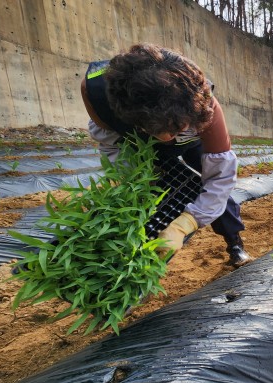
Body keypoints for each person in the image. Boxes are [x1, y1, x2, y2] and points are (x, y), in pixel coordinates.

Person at [80, 43, 252, 266]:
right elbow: (111, 145)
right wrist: (131, 179)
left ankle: (234, 241)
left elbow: (221, 177)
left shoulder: (202, 104)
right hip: (140, 142)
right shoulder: (97, 94)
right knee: (143, 189)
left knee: (209, 185)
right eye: (162, 131)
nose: (168, 137)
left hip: (192, 141)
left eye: (175, 129)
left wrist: (186, 223)